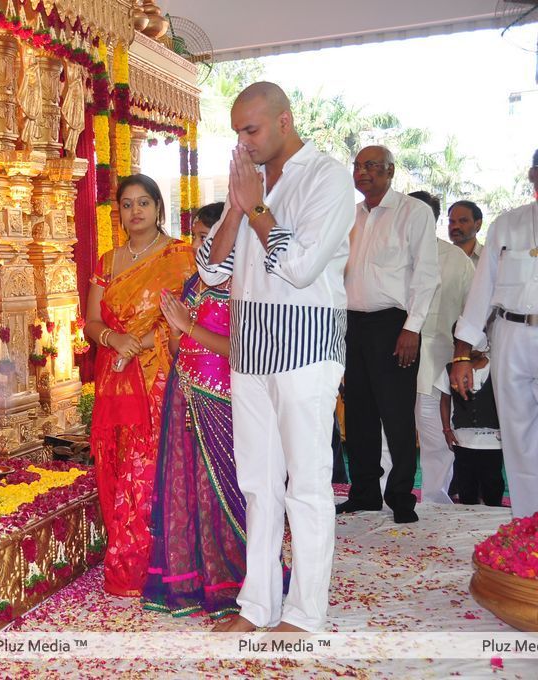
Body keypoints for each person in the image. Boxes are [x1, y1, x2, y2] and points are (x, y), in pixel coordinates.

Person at [198, 82, 354, 633]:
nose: (243, 140)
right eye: (237, 131)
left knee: (306, 484)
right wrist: (239, 210)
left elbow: (302, 266)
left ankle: (306, 613)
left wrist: (257, 207)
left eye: (252, 129)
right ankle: (257, 606)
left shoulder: (328, 177)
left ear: (285, 121)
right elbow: (212, 269)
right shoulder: (249, 180)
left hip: (306, 348)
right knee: (258, 484)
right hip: (250, 350)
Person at [84, 174, 195, 596]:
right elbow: (92, 321)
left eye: (143, 203)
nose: (135, 212)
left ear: (158, 208)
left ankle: (156, 565)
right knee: (117, 461)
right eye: (127, 204)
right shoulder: (108, 261)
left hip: (161, 373)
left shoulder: (180, 256)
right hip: (117, 376)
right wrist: (114, 340)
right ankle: (127, 557)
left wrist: (139, 343)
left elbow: (186, 316)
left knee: (148, 467)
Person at [143, 201, 248, 620]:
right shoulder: (194, 285)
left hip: (223, 398)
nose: (202, 246)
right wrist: (175, 330)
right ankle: (192, 578)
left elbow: (241, 348)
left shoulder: (244, 283)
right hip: (184, 393)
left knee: (222, 489)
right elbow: (176, 347)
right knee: (185, 486)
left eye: (210, 238)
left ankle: (234, 580)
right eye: (199, 238)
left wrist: (188, 327)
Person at [338, 146, 439, 524]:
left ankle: (400, 496)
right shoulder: (350, 216)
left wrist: (411, 327)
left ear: (390, 171)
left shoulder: (413, 213)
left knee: (396, 414)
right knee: (359, 413)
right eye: (357, 166)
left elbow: (427, 275)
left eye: (370, 166)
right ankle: (364, 493)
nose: (362, 172)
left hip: (394, 325)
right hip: (352, 325)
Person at [451, 149, 538, 518]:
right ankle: (527, 525)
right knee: (516, 438)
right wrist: (461, 355)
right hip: (511, 335)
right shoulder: (509, 224)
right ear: (533, 176)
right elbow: (482, 290)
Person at [407, 191, 474, 504]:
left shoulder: (455, 259)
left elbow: (473, 312)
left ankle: (436, 498)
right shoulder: (389, 254)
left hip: (436, 358)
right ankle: (380, 496)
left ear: (431, 219)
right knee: (385, 432)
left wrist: (468, 356)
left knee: (434, 432)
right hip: (391, 354)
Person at [436, 347, 504, 507]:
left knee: (493, 483)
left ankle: (493, 521)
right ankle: (468, 521)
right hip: (463, 441)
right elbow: (444, 400)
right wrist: (446, 429)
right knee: (466, 485)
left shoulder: (497, 367)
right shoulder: (450, 369)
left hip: (493, 441)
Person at [448, 200, 484, 265]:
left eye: (463, 221)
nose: (455, 226)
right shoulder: (440, 257)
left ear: (478, 224)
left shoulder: (489, 257)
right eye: (452, 221)